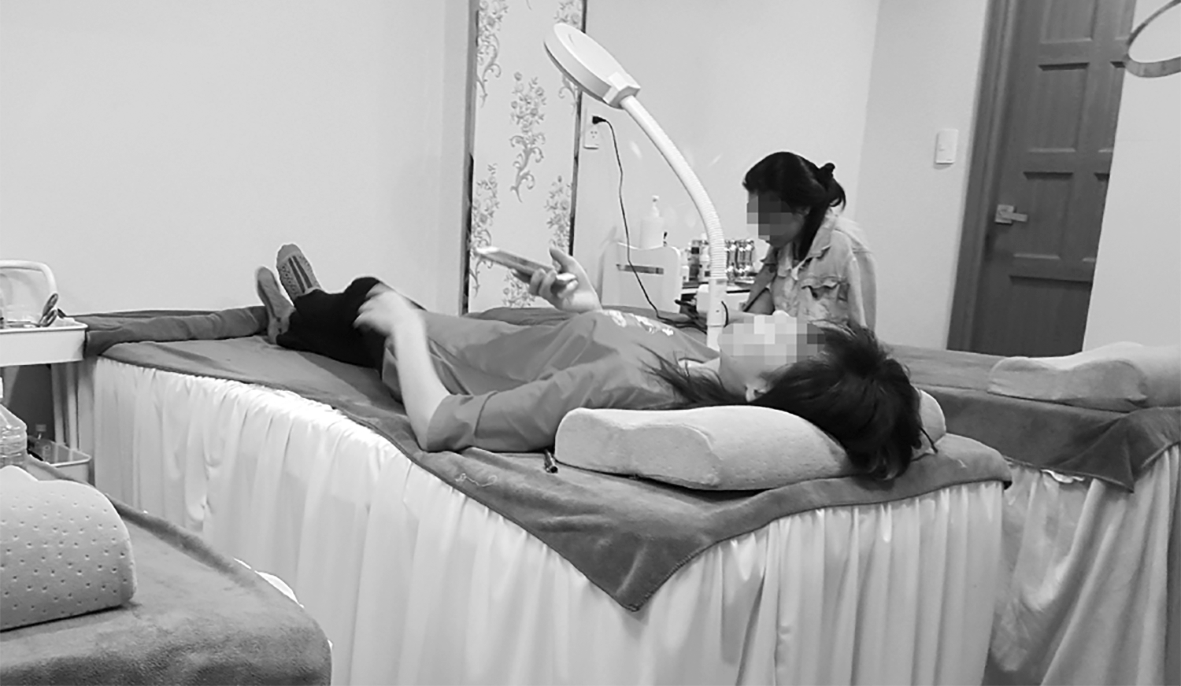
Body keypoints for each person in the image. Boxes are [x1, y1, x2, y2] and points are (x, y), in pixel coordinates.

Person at [255, 244, 921, 480]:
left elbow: (438, 426)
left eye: (783, 336)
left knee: (368, 298)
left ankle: (295, 323)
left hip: (434, 355)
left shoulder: (627, 389)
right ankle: (315, 315)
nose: (771, 317)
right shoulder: (701, 365)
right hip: (482, 336)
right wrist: (585, 310)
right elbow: (611, 343)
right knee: (375, 307)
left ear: (761, 392)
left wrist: (402, 326)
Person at [738, 152, 877, 329]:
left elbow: (863, 339)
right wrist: (726, 316)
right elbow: (760, 313)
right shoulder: (784, 245)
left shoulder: (846, 246)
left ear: (803, 207)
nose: (761, 230)